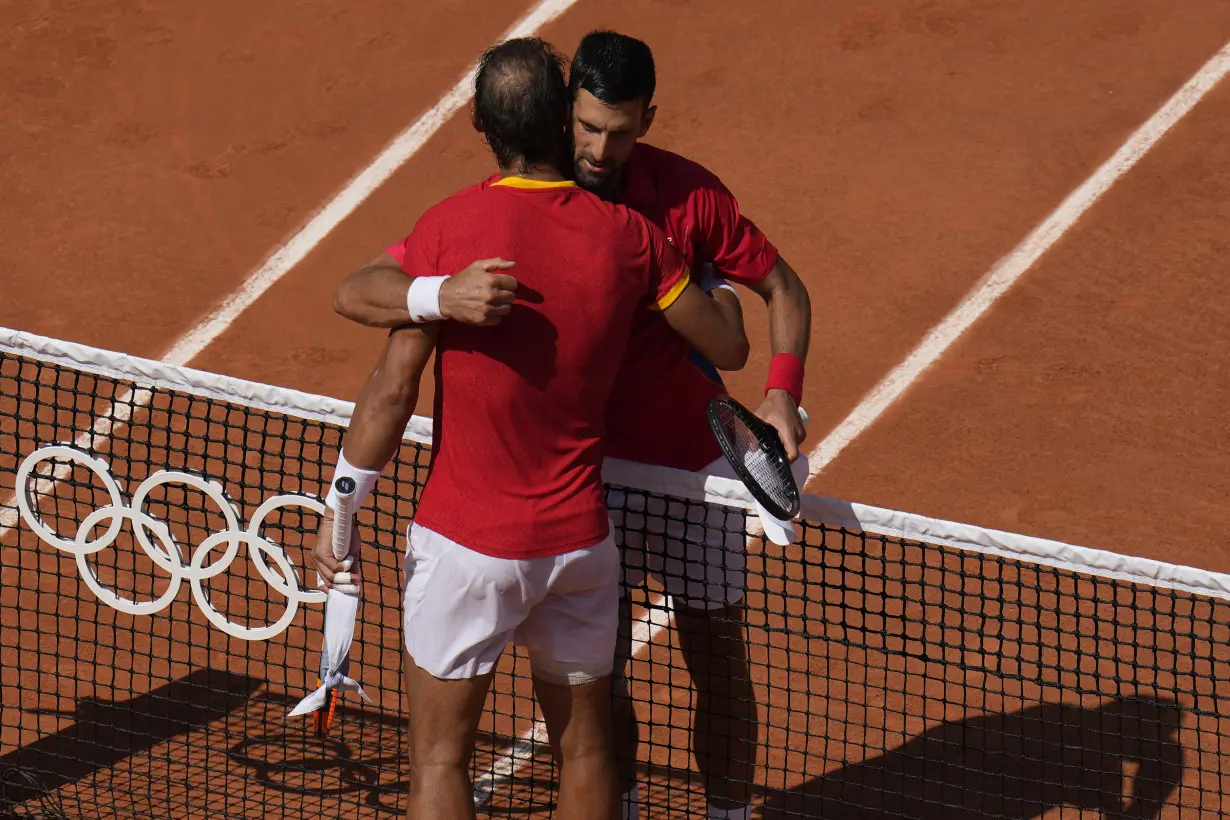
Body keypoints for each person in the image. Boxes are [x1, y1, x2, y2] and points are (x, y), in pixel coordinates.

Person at [331, 30, 813, 820]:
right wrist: (442, 294)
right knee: (601, 690)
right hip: (595, 483)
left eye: (620, 131)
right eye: (586, 128)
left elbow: (779, 295)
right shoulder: (596, 230)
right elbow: (725, 331)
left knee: (716, 656)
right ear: (563, 118)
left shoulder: (685, 201)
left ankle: (726, 814)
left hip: (690, 470)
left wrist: (782, 395)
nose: (599, 147)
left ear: (647, 121)